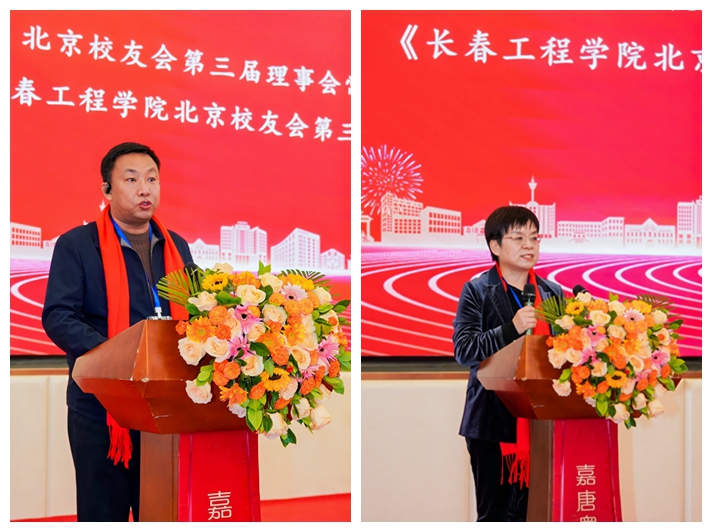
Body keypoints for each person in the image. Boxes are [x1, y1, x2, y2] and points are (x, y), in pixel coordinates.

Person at [42, 142, 193, 521]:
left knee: (161, 513)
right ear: (107, 190)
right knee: (102, 514)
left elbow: (197, 313)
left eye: (152, 179)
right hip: (101, 407)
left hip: (165, 409)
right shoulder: (78, 245)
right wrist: (120, 356)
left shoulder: (177, 247)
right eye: (131, 179)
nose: (145, 189)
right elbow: (59, 316)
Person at [452, 206, 563, 522]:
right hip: (492, 423)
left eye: (534, 238)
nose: (529, 245)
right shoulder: (477, 291)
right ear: (495, 246)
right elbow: (465, 350)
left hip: (544, 421)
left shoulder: (551, 292)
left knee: (539, 514)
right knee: (497, 516)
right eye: (518, 238)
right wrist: (511, 328)